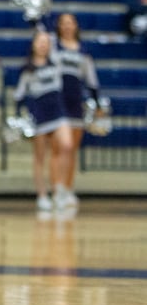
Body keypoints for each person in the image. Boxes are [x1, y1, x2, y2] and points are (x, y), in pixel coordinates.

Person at [12, 30, 73, 211]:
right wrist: (20, 117)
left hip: (58, 111)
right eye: (39, 41)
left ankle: (59, 188)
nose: (42, 44)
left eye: (46, 42)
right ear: (33, 44)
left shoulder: (56, 62)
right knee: (40, 157)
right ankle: (42, 195)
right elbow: (19, 94)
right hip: (39, 115)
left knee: (66, 146)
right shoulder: (28, 69)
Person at [52, 13, 100, 209]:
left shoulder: (83, 51)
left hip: (75, 103)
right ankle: (56, 189)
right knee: (59, 148)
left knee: (71, 150)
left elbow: (92, 80)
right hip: (57, 103)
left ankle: (68, 188)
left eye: (71, 23)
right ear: (59, 26)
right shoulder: (54, 47)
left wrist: (97, 103)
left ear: (76, 26)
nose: (67, 26)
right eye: (63, 23)